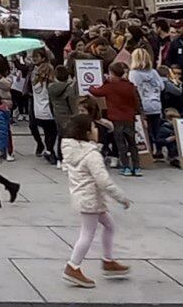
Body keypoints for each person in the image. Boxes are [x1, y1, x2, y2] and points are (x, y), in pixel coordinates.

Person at [57, 116, 130, 288]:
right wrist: (121, 198)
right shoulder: (91, 155)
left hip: (84, 196)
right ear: (87, 132)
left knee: (110, 226)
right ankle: (73, 266)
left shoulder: (71, 150)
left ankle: (108, 260)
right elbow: (103, 181)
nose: (97, 130)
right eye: (94, 128)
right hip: (90, 199)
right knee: (87, 234)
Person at [90, 61, 143, 176]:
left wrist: (93, 85)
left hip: (116, 118)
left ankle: (126, 167)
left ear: (112, 73)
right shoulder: (130, 86)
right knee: (132, 143)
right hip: (129, 118)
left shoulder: (110, 86)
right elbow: (136, 101)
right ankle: (137, 167)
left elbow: (96, 92)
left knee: (121, 144)